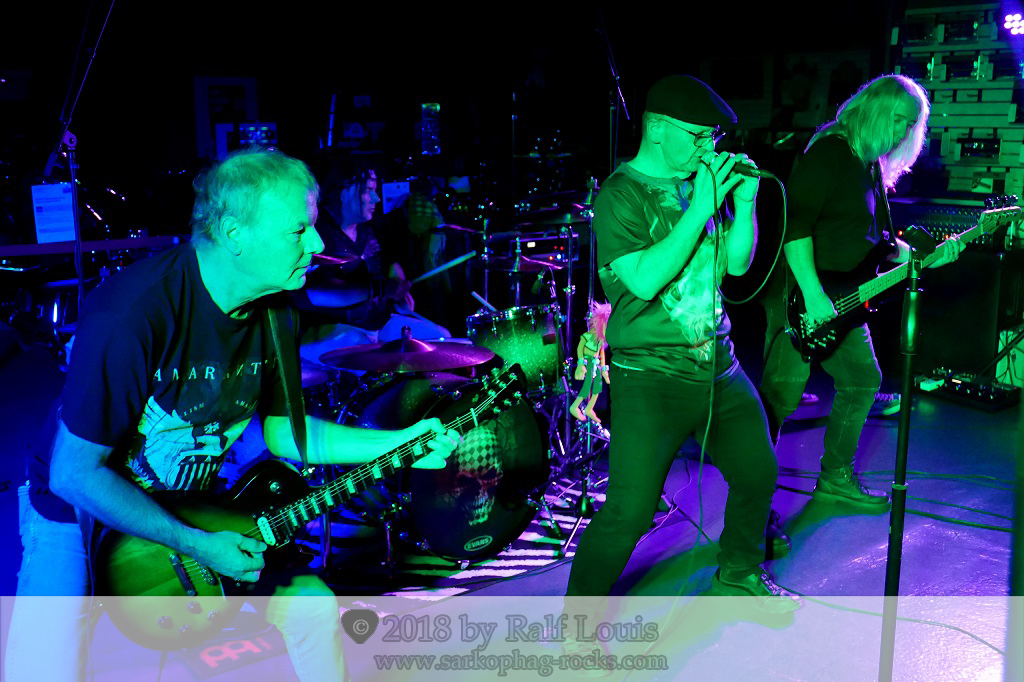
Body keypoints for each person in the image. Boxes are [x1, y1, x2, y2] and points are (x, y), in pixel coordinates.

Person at [4, 147, 460, 682]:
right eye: (299, 231)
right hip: (76, 503)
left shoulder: (277, 310)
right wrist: (197, 544)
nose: (317, 245)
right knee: (46, 667)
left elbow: (287, 435)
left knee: (312, 608)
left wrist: (401, 443)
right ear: (234, 234)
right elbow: (74, 473)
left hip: (186, 502)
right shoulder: (135, 311)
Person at [563, 75, 802, 617]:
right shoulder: (619, 195)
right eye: (697, 136)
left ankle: (739, 571)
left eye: (712, 137)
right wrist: (701, 208)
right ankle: (576, 625)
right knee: (629, 511)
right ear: (657, 130)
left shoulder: (699, 184)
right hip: (650, 376)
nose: (707, 148)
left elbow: (735, 266)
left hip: (719, 367)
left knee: (758, 472)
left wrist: (744, 205)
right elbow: (643, 281)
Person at [759, 74, 962, 509]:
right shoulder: (832, 152)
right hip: (801, 295)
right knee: (780, 397)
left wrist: (926, 256)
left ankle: (835, 477)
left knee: (862, 379)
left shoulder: (869, 164)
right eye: (898, 120)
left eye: (911, 125)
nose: (903, 132)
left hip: (844, 297)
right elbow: (794, 228)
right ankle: (754, 501)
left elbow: (878, 243)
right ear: (874, 109)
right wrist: (814, 296)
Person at [295, 160, 452, 365]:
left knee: (440, 339)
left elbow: (390, 263)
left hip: (379, 322)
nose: (376, 198)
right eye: (369, 191)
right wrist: (381, 289)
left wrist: (398, 286)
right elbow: (318, 292)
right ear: (346, 191)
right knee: (361, 350)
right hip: (330, 328)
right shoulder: (318, 233)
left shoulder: (371, 227)